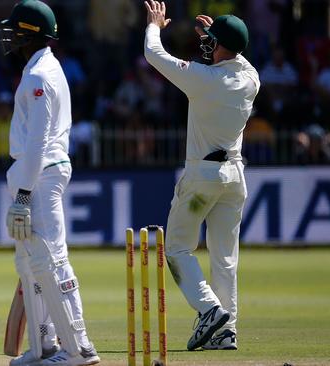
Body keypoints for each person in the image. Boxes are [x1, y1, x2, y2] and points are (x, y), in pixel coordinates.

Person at [143, 1, 260, 351]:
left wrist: (154, 25)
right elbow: (236, 51)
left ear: (221, 45)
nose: (205, 45)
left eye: (211, 41)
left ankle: (209, 310)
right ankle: (227, 332)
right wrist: (217, 33)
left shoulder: (203, 79)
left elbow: (153, 53)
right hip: (235, 175)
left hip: (202, 175)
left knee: (177, 247)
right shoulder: (251, 78)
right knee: (225, 258)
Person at [0, 1, 100, 365]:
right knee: (30, 264)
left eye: (14, 29)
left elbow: (39, 140)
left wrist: (23, 195)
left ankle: (80, 349)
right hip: (33, 173)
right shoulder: (39, 68)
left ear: (29, 34)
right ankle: (45, 348)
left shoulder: (40, 75)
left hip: (41, 174)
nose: (8, 36)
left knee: (52, 260)